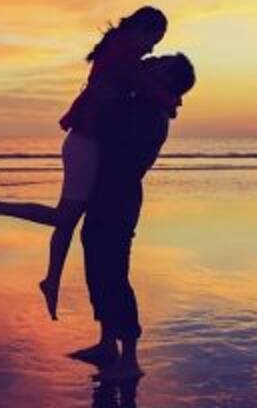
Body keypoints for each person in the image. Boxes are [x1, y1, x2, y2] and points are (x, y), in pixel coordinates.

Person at [0, 7, 170, 321]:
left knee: (67, 220)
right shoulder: (123, 56)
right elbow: (147, 88)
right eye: (154, 39)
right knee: (64, 216)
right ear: (141, 29)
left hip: (84, 142)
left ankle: (52, 281)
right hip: (84, 145)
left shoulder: (118, 50)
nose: (152, 48)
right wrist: (171, 98)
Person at [69, 53, 196, 381]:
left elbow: (113, 135)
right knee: (96, 264)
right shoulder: (145, 102)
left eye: (161, 63)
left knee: (113, 272)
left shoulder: (150, 111)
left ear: (167, 79)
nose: (152, 60)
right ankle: (107, 343)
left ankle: (130, 360)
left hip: (119, 196)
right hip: (107, 191)